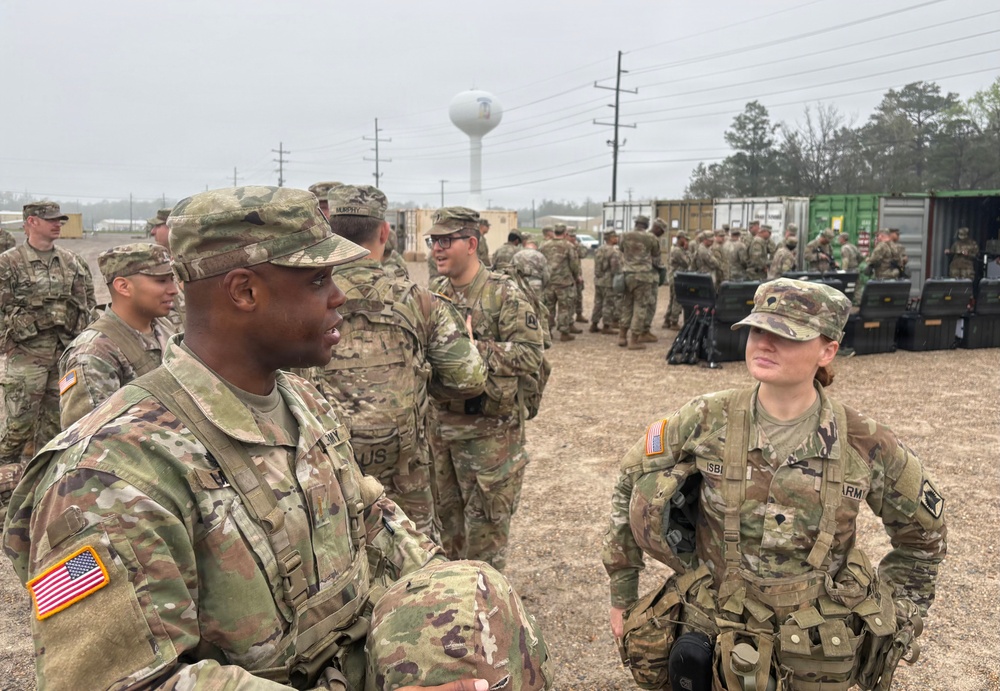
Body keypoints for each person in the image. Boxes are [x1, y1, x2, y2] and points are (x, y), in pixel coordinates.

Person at [4, 185, 488, 691]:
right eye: (319, 279)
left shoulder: (302, 400)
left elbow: (368, 517)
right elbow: (121, 682)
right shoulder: (109, 473)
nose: (340, 296)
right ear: (244, 292)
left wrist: (446, 603)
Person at [602, 278, 945, 690]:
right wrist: (623, 592)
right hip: (711, 636)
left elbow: (924, 536)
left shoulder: (866, 442)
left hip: (813, 651)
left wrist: (890, 614)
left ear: (827, 350)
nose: (764, 343)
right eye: (758, 330)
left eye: (786, 335)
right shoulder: (705, 418)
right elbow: (630, 479)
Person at [310, 184, 487, 540]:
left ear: (330, 228)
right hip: (405, 475)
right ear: (384, 231)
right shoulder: (419, 300)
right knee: (414, 563)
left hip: (325, 473)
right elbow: (469, 379)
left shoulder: (301, 299)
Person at [428, 206, 544, 571]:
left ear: (472, 243)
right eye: (433, 241)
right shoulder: (434, 293)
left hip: (489, 438)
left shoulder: (502, 294)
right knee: (445, 536)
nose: (437, 249)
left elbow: (531, 355)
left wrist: (473, 349)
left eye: (447, 241)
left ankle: (488, 615)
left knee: (485, 542)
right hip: (442, 432)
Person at [0, 202, 96, 518]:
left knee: (56, 427)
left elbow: (88, 305)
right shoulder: (8, 264)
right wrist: (24, 323)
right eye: (51, 220)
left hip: (62, 354)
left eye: (60, 220)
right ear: (31, 222)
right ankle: (4, 491)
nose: (57, 225)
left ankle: (41, 496)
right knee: (18, 426)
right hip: (26, 356)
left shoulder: (73, 263)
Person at [58, 243, 178, 429]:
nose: (174, 289)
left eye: (172, 279)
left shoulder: (164, 327)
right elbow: (88, 440)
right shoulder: (93, 354)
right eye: (161, 281)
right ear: (123, 286)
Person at [618, 215, 663, 350]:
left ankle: (622, 337)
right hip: (644, 276)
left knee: (627, 305)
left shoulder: (624, 235)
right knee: (640, 307)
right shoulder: (651, 238)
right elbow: (656, 254)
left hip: (628, 274)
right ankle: (634, 340)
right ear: (646, 225)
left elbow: (621, 249)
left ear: (636, 223)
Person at [540, 224, 581, 342]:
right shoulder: (568, 246)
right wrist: (576, 276)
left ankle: (547, 332)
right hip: (564, 283)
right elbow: (574, 264)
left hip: (548, 282)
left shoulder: (544, 245)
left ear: (554, 232)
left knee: (548, 307)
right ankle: (564, 332)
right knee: (564, 308)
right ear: (565, 233)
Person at [148, 207, 187, 331]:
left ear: (173, 228)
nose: (153, 232)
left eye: (158, 226)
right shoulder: (154, 266)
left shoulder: (199, 267)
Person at [590, 230, 620, 334]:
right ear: (611, 238)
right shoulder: (613, 252)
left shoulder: (599, 249)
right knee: (609, 303)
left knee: (598, 302)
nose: (617, 238)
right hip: (608, 281)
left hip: (598, 280)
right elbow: (615, 268)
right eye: (615, 237)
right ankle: (607, 326)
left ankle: (594, 324)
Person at [662, 230, 690, 330]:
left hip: (673, 277)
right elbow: (687, 263)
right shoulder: (678, 251)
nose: (687, 242)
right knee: (677, 300)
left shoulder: (674, 248)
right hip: (677, 277)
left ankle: (666, 320)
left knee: (673, 299)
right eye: (685, 239)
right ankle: (674, 321)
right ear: (681, 239)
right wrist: (687, 251)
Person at [569, 230, 589, 324]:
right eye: (571, 236)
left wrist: (578, 245)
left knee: (578, 296)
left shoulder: (576, 246)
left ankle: (579, 314)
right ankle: (568, 319)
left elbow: (584, 254)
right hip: (567, 276)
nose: (573, 238)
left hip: (576, 275)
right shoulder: (565, 246)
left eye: (574, 236)